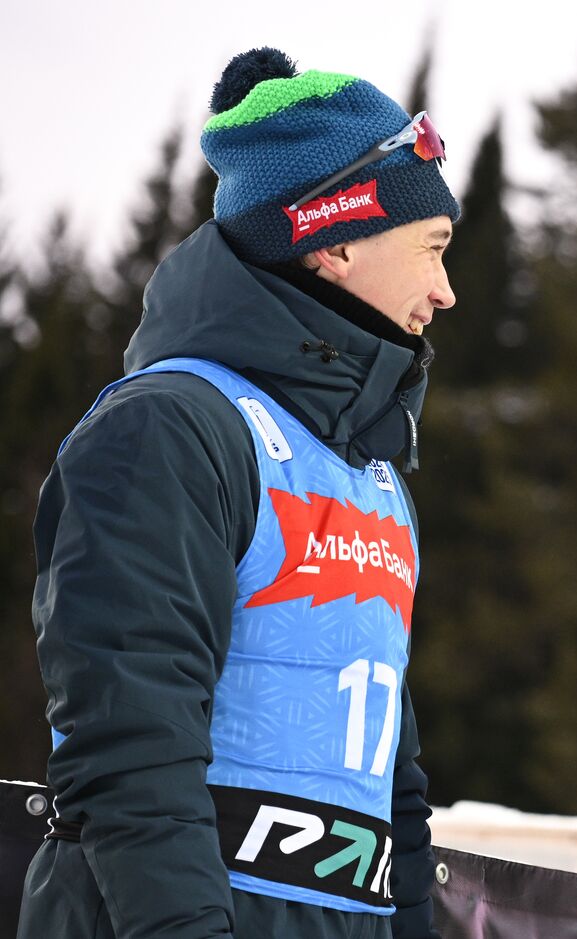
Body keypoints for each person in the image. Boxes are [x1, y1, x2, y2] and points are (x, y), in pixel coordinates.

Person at [19, 47, 459, 939]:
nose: (444, 291)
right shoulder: (173, 428)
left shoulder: (371, 473)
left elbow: (393, 779)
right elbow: (130, 744)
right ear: (333, 241)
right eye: (432, 249)